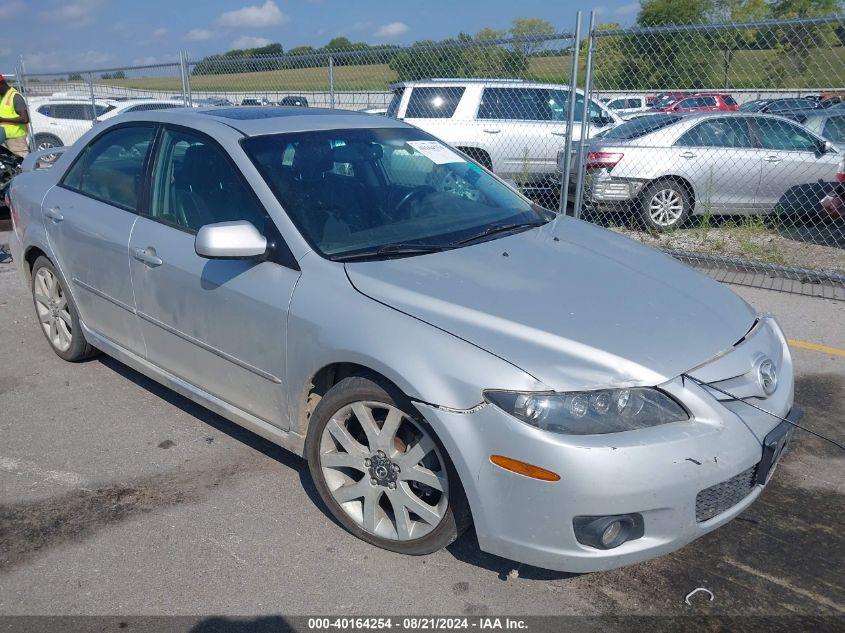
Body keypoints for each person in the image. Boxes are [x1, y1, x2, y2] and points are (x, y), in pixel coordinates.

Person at [0, 74, 30, 159]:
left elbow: (25, 119)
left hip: (16, 140)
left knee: (21, 163)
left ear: (2, 84)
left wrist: (3, 119)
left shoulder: (15, 97)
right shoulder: (2, 97)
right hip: (3, 139)